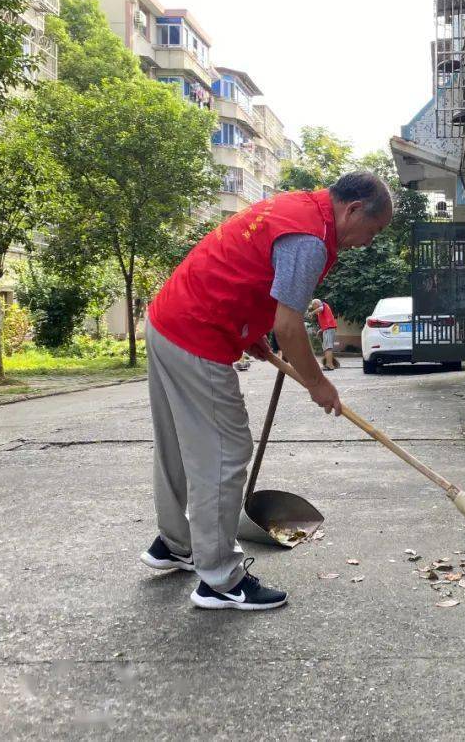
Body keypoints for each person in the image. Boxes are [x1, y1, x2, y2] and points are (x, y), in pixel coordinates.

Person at [139, 172, 393, 611]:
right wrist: (317, 382)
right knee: (226, 452)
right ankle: (219, 579)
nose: (368, 242)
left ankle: (175, 545)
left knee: (178, 447)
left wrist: (248, 332)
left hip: (168, 320)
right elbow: (289, 325)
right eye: (372, 231)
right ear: (352, 210)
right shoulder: (310, 238)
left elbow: (249, 275)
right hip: (198, 335)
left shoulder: (295, 206)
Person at [307, 298, 340, 370]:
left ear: (316, 304)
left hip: (329, 329)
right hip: (327, 329)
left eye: (313, 307)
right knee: (326, 347)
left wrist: (312, 313)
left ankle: (330, 365)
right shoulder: (322, 310)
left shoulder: (323, 305)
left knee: (328, 347)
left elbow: (321, 308)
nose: (313, 309)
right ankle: (329, 364)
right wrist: (321, 330)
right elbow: (326, 320)